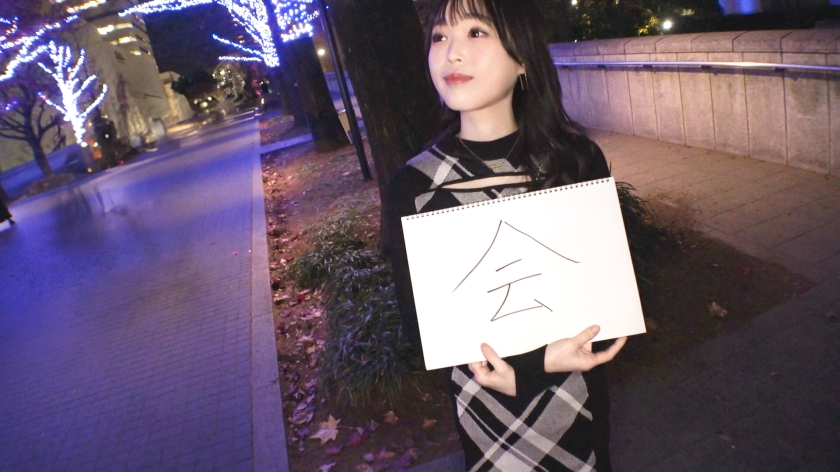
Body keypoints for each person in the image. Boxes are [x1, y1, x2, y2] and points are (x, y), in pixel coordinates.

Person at [386, 0, 628, 470]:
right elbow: (424, 329)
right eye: (439, 36)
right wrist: (531, 367)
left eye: (476, 32)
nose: (451, 53)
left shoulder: (575, 162)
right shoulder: (414, 187)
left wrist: (555, 359)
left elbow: (610, 302)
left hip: (576, 402)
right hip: (485, 412)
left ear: (523, 59)